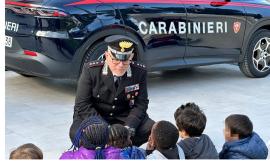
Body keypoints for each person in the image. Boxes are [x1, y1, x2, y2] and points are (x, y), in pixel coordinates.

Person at [70, 35, 154, 146]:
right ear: (107, 56)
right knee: (78, 134)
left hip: (123, 116)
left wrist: (128, 127)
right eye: (115, 61)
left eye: (125, 61)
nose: (120, 66)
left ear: (131, 57)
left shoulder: (139, 72)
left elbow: (141, 104)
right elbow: (82, 105)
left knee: (151, 129)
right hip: (95, 115)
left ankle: (125, 153)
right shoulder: (91, 70)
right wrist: (106, 129)